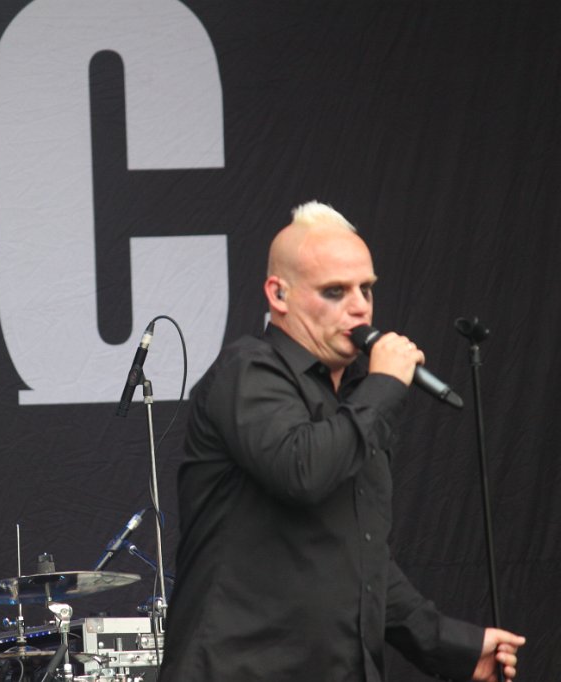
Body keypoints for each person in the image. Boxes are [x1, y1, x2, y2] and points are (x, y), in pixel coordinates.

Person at [158, 202, 525, 682]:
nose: (359, 307)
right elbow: (302, 471)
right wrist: (384, 385)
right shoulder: (247, 370)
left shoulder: (354, 400)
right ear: (279, 294)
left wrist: (453, 647)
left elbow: (360, 561)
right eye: (335, 291)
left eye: (366, 289)